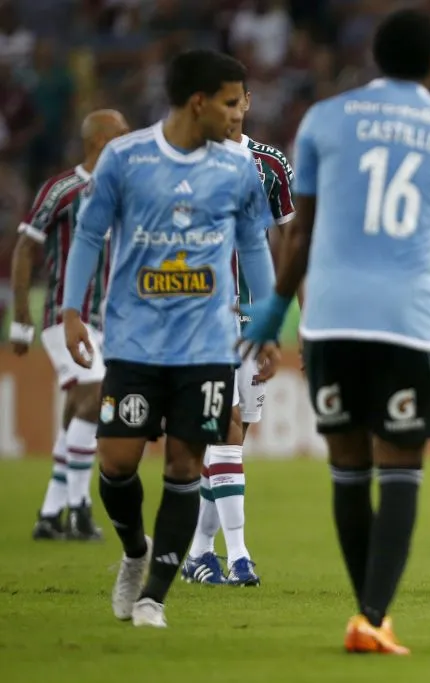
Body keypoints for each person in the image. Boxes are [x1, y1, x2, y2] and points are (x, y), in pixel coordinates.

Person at [239, 9, 430, 654]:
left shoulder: (324, 119)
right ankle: (374, 617)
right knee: (400, 464)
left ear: (373, 59)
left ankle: (366, 614)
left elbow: (301, 231)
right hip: (405, 320)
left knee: (347, 466)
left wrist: (271, 311)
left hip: (330, 316)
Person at [60, 49, 278, 628]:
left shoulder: (238, 169)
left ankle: (154, 595)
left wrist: (268, 322)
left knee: (185, 465)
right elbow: (88, 234)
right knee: (117, 462)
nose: (239, 115)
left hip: (207, 344)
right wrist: (71, 309)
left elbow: (254, 245)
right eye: (231, 102)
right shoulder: (126, 158)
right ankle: (135, 549)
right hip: (134, 340)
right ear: (199, 102)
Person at [181, 86, 294, 587]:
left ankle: (200, 553)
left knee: (234, 437)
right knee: (224, 427)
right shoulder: (184, 161)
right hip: (202, 315)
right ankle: (240, 555)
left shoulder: (269, 164)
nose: (229, 111)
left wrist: (299, 322)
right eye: (218, 102)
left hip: (253, 318)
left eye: (235, 102)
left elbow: (291, 243)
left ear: (248, 102)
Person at [9, 109, 129, 541]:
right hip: (64, 315)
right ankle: (79, 508)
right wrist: (20, 317)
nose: (129, 139)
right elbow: (25, 248)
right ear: (99, 139)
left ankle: (49, 513)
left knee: (81, 406)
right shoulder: (63, 189)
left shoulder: (124, 190)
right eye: (121, 133)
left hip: (106, 322)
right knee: (95, 396)